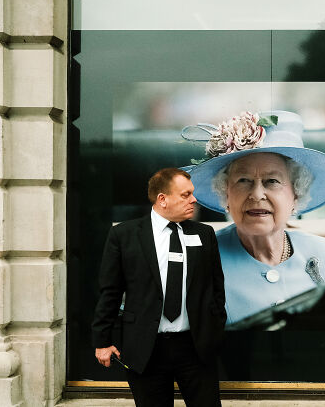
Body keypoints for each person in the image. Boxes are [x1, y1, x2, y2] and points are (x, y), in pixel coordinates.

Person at [183, 111, 325, 325]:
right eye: (243, 180)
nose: (257, 194)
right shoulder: (193, 265)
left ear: (296, 194)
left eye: (272, 181)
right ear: (226, 193)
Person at [92, 168, 226, 406]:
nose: (194, 200)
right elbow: (110, 291)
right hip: (146, 347)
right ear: (162, 199)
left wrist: (213, 328)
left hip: (194, 347)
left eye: (192, 194)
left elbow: (217, 287)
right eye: (185, 195)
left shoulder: (204, 234)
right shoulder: (124, 234)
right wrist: (102, 340)